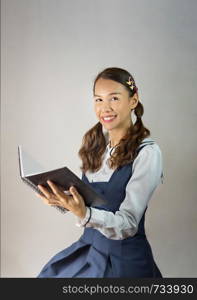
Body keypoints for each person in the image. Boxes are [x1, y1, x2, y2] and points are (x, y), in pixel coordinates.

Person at [36, 67, 164, 278]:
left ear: (133, 100)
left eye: (114, 98)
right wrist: (61, 199)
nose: (105, 108)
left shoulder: (148, 153)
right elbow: (89, 202)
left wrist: (84, 214)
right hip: (88, 251)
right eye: (98, 100)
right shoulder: (96, 146)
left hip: (124, 262)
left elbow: (129, 223)